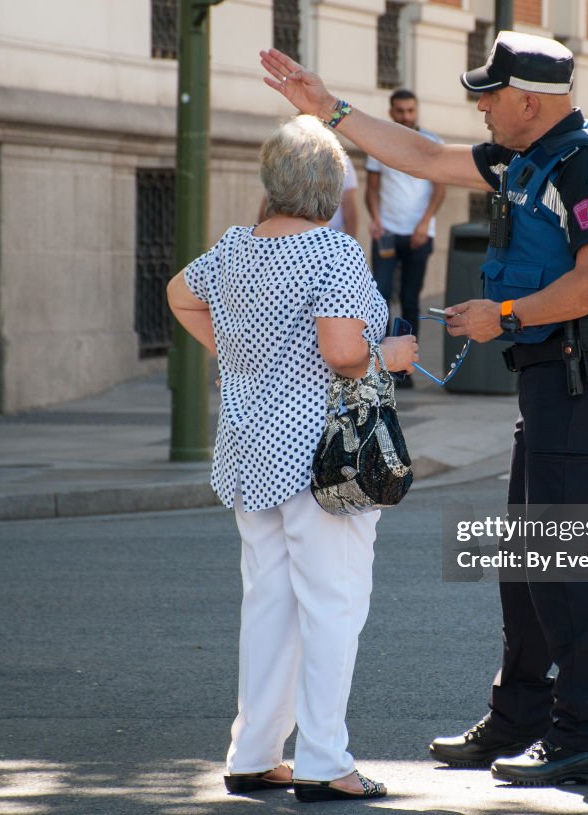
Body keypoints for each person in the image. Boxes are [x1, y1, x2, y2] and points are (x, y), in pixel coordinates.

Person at [260, 29, 588, 787]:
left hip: (585, 372)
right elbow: (427, 157)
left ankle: (587, 733)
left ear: (529, 101)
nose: (481, 111)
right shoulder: (525, 154)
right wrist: (328, 109)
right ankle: (521, 715)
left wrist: (504, 315)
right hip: (549, 371)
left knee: (551, 551)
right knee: (524, 555)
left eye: (491, 97)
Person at [166, 115, 418, 802]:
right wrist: (391, 356)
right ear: (330, 189)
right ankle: (324, 759)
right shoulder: (332, 253)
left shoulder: (235, 247)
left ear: (271, 182)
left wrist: (238, 355)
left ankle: (254, 751)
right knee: (333, 605)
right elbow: (342, 352)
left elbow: (180, 294)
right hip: (322, 458)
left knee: (269, 603)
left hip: (251, 452)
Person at [366, 90, 446, 379]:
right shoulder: (380, 141)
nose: (405, 116)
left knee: (411, 300)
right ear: (391, 112)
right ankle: (379, 366)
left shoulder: (431, 142)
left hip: (419, 234)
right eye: (400, 111)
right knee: (380, 298)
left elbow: (440, 188)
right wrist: (375, 220)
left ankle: (405, 368)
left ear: (417, 110)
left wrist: (425, 223)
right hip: (387, 232)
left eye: (410, 110)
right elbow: (371, 189)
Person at [257, 149, 360, 238]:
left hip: (327, 238)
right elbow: (269, 200)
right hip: (286, 237)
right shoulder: (284, 158)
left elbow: (349, 205)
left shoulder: (339, 158)